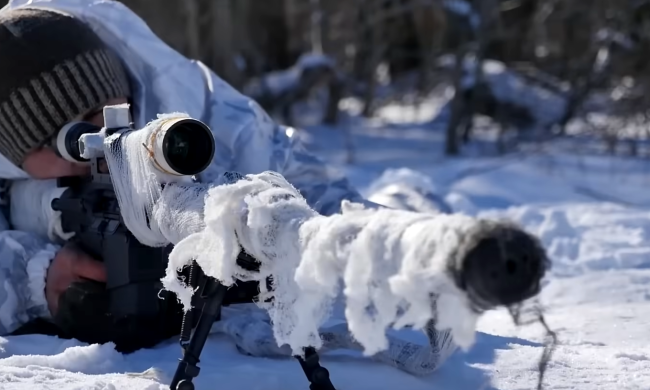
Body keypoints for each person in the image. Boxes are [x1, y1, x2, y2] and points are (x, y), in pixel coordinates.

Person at [0, 1, 369, 338]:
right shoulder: (18, 190)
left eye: (101, 115)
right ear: (13, 158)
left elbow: (323, 201)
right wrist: (36, 278)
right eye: (60, 139)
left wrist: (378, 244)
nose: (95, 140)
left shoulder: (214, 123)